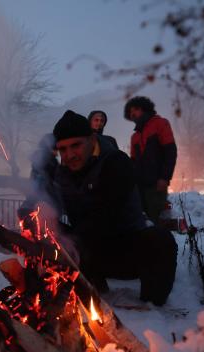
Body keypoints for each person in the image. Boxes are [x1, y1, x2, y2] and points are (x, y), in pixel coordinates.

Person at [39, 110, 177, 305]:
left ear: (91, 139)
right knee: (48, 228)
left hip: (126, 247)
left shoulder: (116, 163)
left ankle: (153, 305)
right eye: (63, 149)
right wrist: (39, 209)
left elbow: (107, 215)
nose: (69, 155)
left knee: (161, 240)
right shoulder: (64, 173)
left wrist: (74, 238)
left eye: (75, 145)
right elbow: (47, 198)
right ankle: (91, 288)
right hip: (90, 248)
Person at [124, 96, 177, 223]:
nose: (133, 114)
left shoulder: (160, 123)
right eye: (130, 113)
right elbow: (133, 162)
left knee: (158, 222)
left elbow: (170, 152)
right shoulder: (134, 137)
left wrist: (165, 177)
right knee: (141, 221)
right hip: (139, 187)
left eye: (135, 110)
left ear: (144, 108)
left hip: (157, 185)